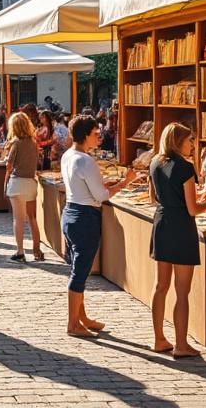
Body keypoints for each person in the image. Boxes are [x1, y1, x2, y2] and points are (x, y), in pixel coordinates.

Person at [148, 123, 206, 358]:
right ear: (178, 141)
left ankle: (159, 338)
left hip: (162, 223)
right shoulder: (185, 167)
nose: (193, 144)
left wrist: (201, 197)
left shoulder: (155, 163)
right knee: (182, 290)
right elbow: (192, 209)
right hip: (181, 228)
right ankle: (181, 343)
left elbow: (154, 198)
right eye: (190, 140)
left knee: (161, 285)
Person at [61, 114, 140, 338]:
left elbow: (84, 187)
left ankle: (80, 317)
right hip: (85, 218)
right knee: (80, 272)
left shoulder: (70, 155)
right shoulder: (86, 161)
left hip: (70, 213)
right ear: (86, 135)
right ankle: (73, 323)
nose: (99, 137)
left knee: (78, 269)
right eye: (96, 134)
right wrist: (127, 181)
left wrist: (107, 184)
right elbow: (101, 196)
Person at [3, 112, 45, 262]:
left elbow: (9, 165)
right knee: (32, 218)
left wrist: (7, 159)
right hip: (30, 182)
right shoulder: (33, 143)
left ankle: (20, 251)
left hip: (17, 183)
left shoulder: (16, 143)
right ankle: (36, 249)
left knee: (18, 219)